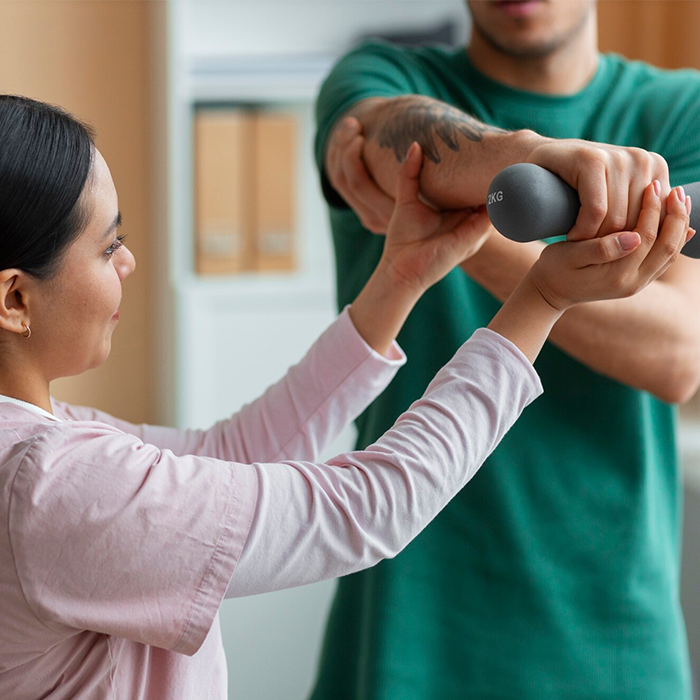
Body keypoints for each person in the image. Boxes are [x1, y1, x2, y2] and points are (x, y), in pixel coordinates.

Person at [0, 95, 687, 698]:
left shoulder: (42, 450)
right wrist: (541, 299)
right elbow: (368, 505)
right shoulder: (52, 487)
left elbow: (232, 453)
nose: (128, 262)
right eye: (108, 246)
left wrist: (400, 277)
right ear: (15, 299)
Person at [310, 1, 700, 699]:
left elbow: (676, 355)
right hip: (408, 634)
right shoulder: (377, 73)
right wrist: (533, 163)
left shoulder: (679, 108)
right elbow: (382, 137)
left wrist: (453, 220)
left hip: (612, 646)